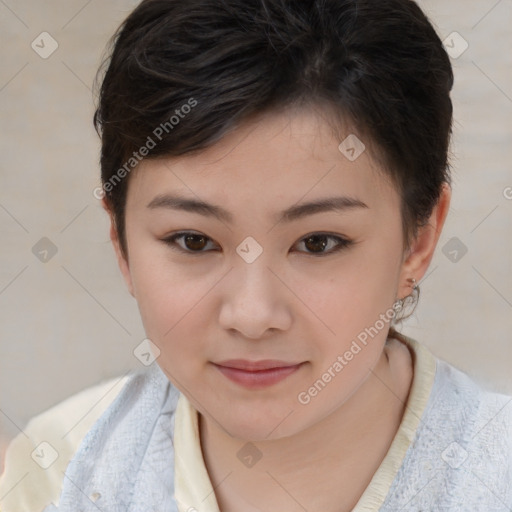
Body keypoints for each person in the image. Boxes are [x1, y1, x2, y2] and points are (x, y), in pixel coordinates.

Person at [1, 0, 511, 511]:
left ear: (418, 239)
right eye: (193, 241)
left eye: (318, 243)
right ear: (120, 238)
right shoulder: (62, 469)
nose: (251, 316)